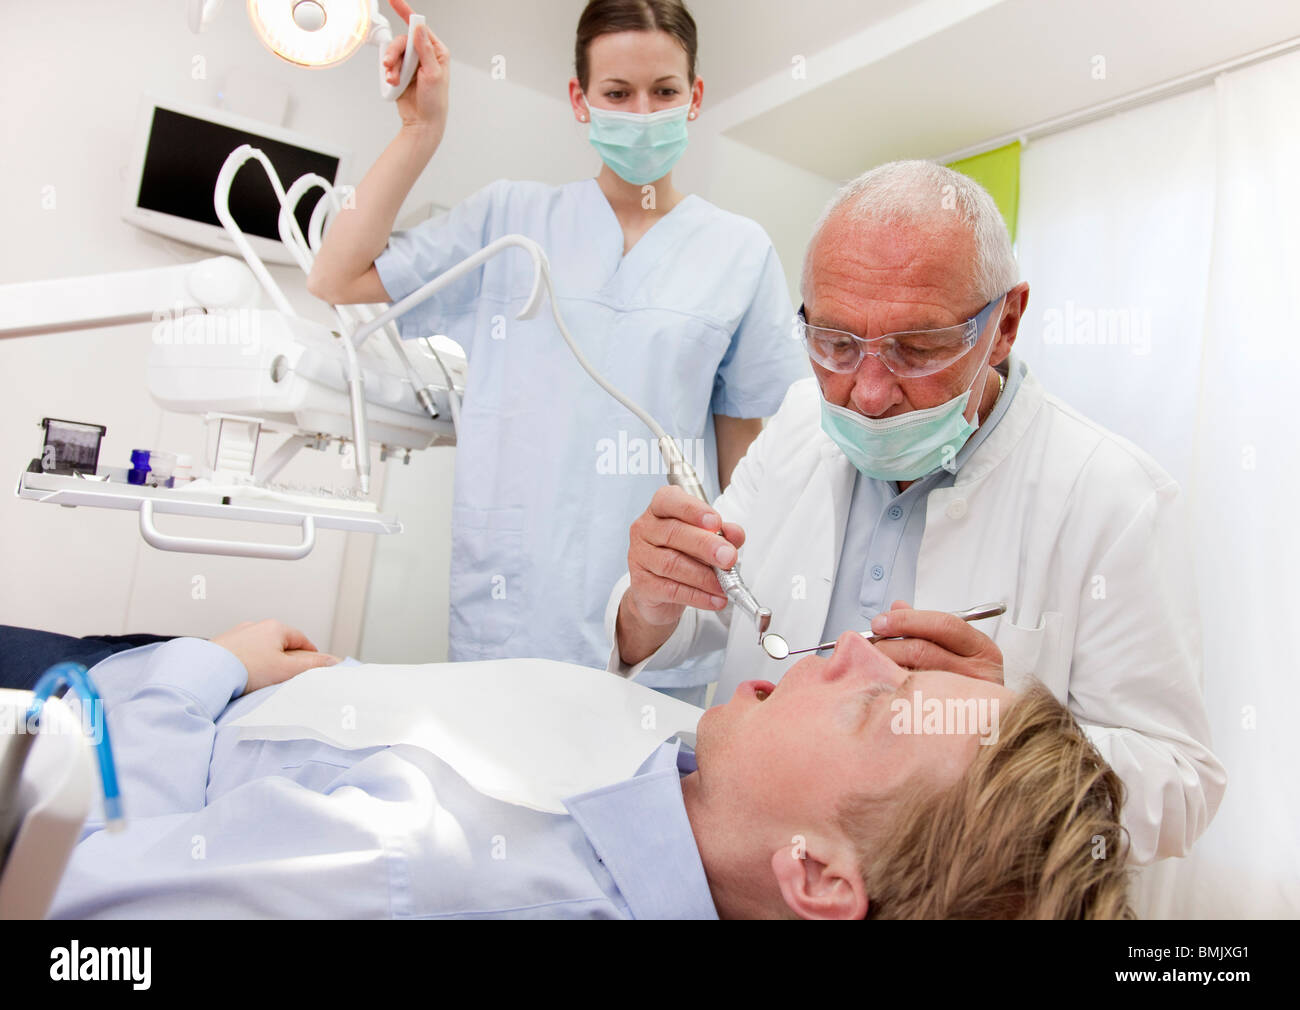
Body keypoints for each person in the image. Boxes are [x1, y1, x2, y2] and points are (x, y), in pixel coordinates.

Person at [607, 160, 1226, 865]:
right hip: (755, 869)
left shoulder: (1112, 495)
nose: (868, 394)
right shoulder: (798, 421)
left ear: (1005, 323)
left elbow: (1181, 786)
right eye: (836, 343)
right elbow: (709, 613)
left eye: (917, 348)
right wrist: (650, 605)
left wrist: (1007, 732)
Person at [306, 0, 808, 695]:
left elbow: (741, 462)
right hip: (511, 615)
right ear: (580, 99)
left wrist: (755, 609)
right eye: (617, 93)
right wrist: (421, 129)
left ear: (695, 97)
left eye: (663, 91)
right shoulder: (509, 219)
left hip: (660, 629)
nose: (642, 113)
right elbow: (336, 278)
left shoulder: (739, 251)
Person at [46, 619, 1132, 919]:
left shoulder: (424, 868)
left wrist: (201, 667)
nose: (852, 646)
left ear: (815, 874)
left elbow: (65, 890)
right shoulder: (703, 778)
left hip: (115, 722)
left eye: (880, 703)